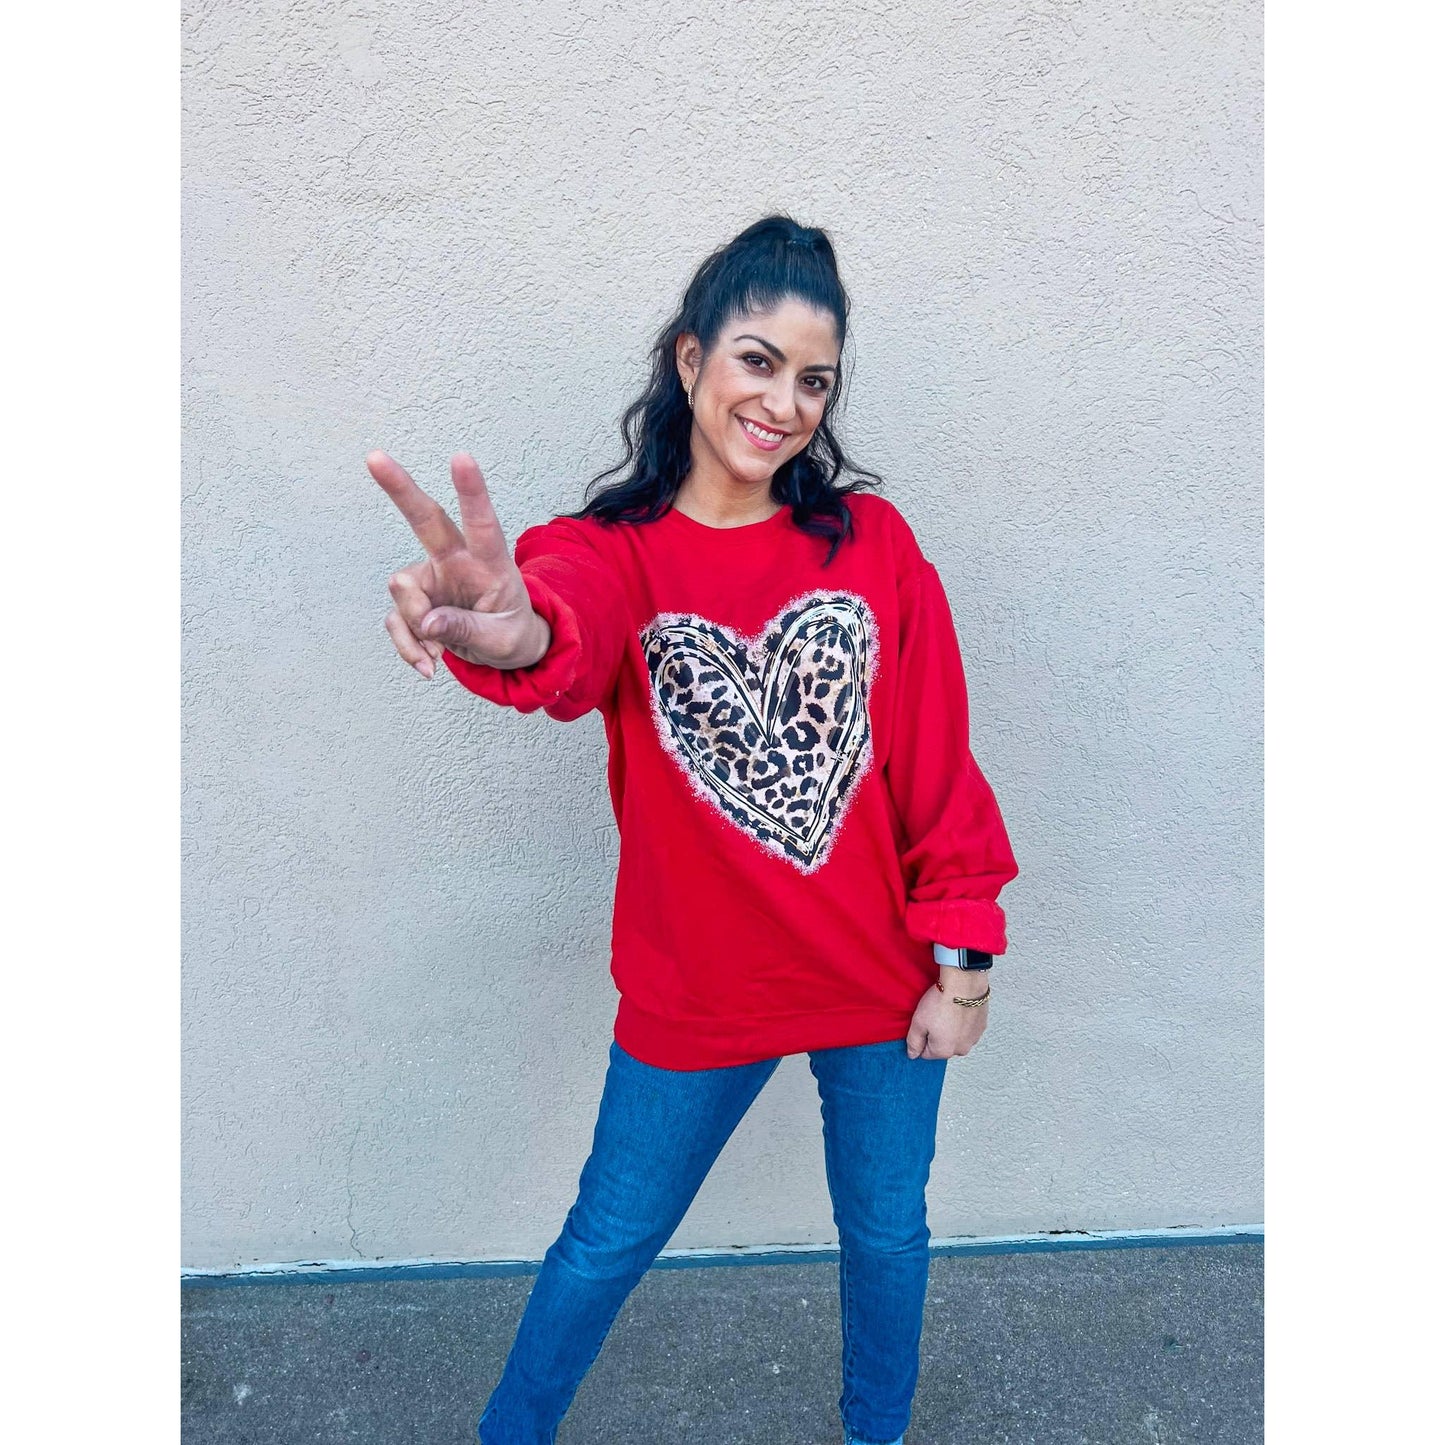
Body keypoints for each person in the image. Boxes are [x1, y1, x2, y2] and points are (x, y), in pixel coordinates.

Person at [367, 215, 1020, 1445]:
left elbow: (935, 764)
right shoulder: (611, 553)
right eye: (756, 360)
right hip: (697, 994)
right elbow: (558, 628)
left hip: (882, 986)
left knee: (886, 1233)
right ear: (688, 361)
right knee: (604, 1240)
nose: (782, 402)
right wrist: (511, 628)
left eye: (812, 379)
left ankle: (874, 1432)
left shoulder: (870, 547)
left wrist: (965, 962)